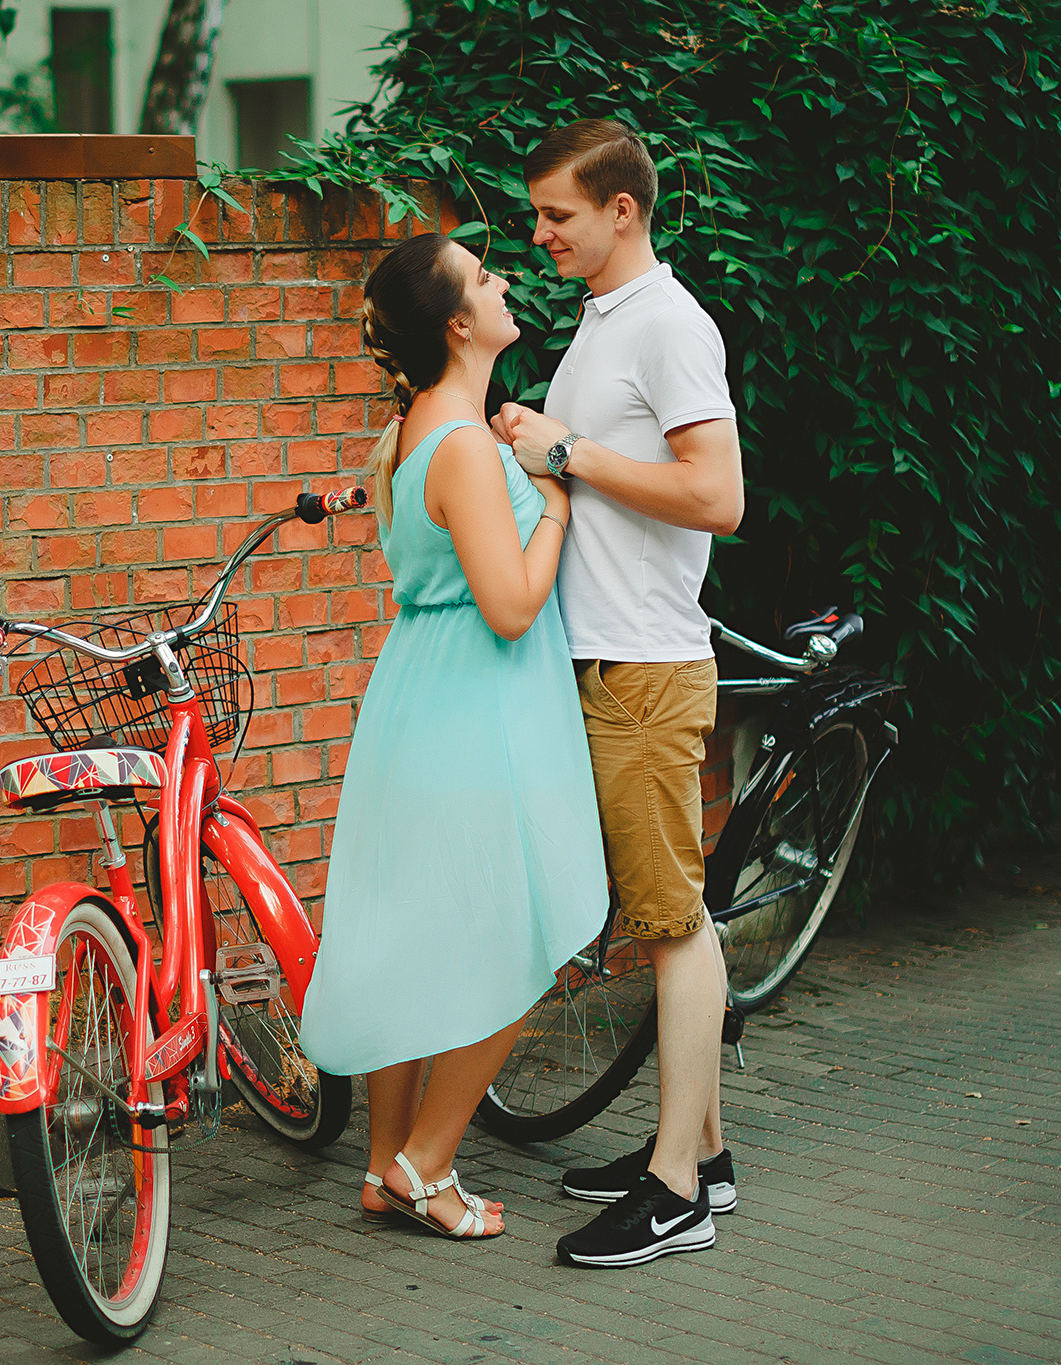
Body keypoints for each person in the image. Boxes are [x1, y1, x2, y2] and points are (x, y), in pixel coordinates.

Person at [300, 232, 608, 1241]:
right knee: (521, 930)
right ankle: (426, 1166)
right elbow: (511, 607)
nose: (505, 278)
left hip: (413, 699)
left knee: (408, 939)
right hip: (477, 709)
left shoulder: (401, 439)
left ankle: (384, 1164)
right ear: (456, 325)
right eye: (483, 276)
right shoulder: (464, 446)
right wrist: (555, 506)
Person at [495, 119, 746, 1269]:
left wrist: (567, 455)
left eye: (555, 213)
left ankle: (674, 1191)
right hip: (603, 658)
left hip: (645, 666)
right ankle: (702, 1148)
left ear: (621, 212)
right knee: (667, 913)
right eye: (537, 214)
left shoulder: (666, 325)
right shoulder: (603, 324)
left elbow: (717, 497)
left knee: (667, 924)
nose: (537, 230)